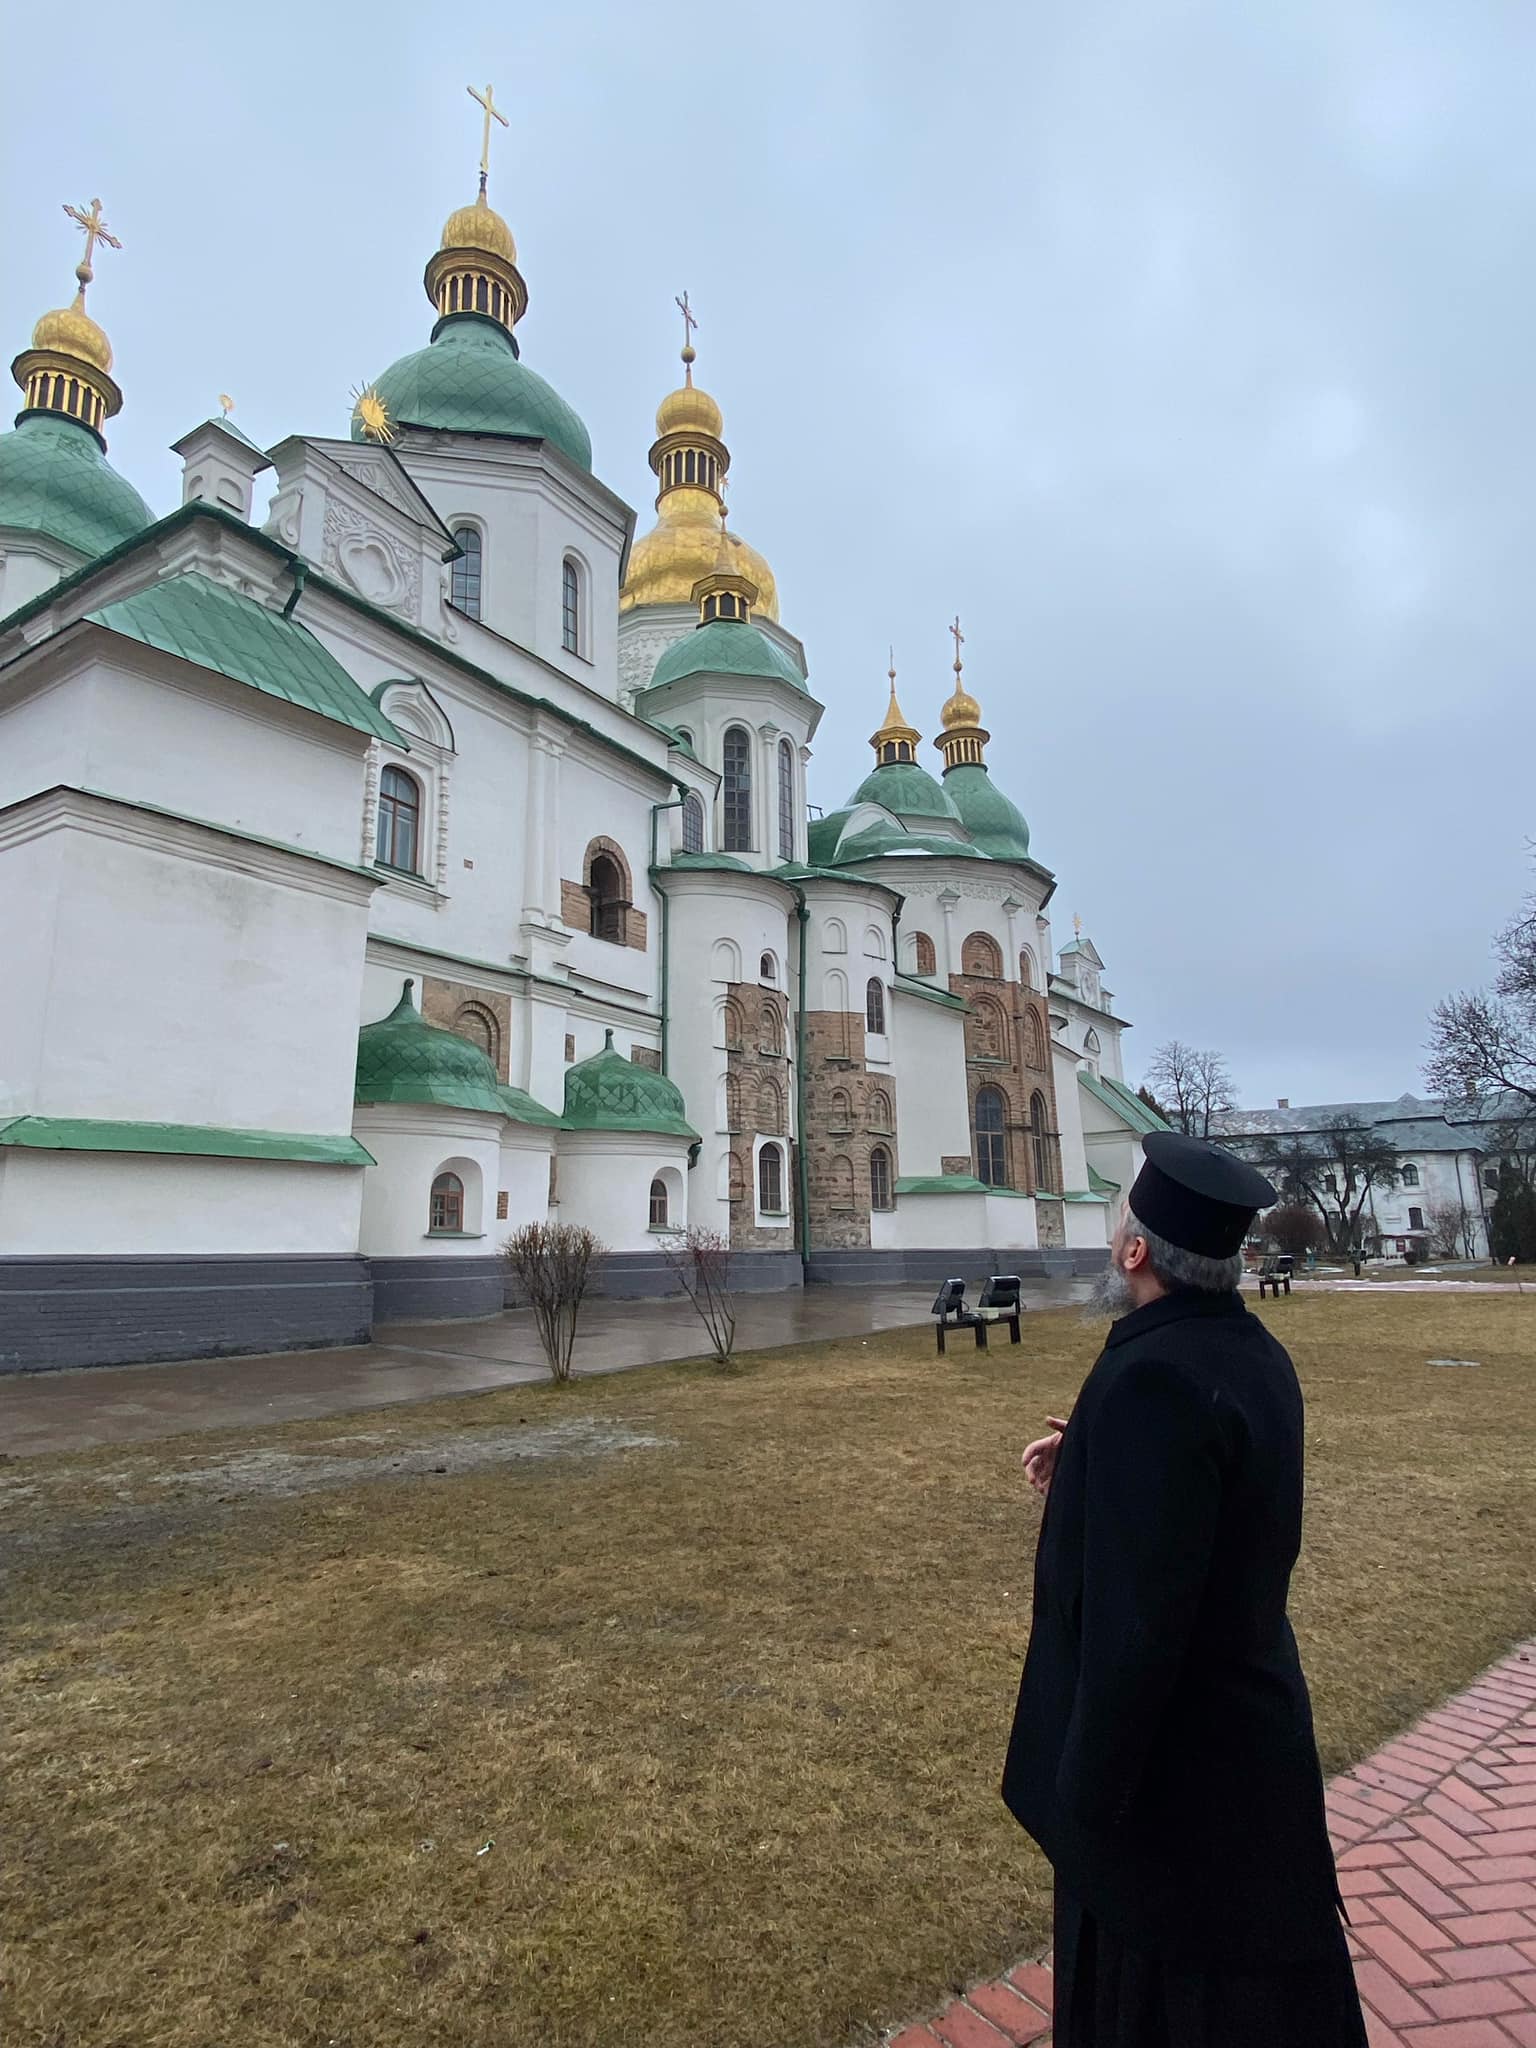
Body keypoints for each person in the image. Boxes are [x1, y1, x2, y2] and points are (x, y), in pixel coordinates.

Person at [1001, 1131, 1366, 2047]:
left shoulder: (1154, 1380)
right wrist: (1089, 1452)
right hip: (1248, 1742)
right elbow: (1207, 1480)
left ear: (1135, 1253)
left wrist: (1084, 1807)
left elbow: (1138, 1631)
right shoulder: (1244, 1352)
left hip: (1176, 1802)